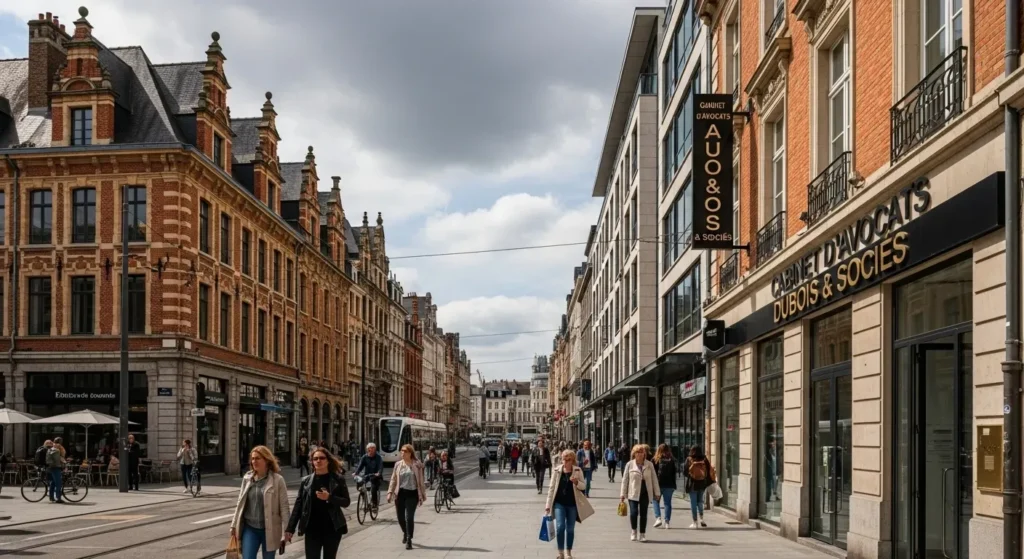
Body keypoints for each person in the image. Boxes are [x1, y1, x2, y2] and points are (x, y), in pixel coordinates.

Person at [286, 447, 350, 559]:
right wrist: (290, 529)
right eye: (315, 459)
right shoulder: (306, 481)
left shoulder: (338, 479)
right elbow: (298, 506)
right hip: (312, 529)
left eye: (321, 458)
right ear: (312, 462)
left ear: (328, 461)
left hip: (332, 528)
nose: (318, 461)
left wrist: (329, 497)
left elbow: (346, 502)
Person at [230, 446, 289, 559]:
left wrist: (287, 530)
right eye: (252, 459)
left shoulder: (278, 480)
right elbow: (240, 503)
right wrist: (233, 525)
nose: (254, 461)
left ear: (266, 460)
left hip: (270, 529)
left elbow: (284, 507)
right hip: (250, 528)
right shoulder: (248, 478)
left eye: (258, 458)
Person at [544, 449, 590, 559]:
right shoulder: (557, 471)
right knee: (560, 527)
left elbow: (584, 486)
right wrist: (548, 505)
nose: (565, 461)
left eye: (568, 459)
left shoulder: (578, 470)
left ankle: (568, 552)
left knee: (570, 529)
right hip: (559, 504)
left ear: (572, 460)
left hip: (573, 504)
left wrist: (576, 482)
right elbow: (551, 489)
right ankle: (560, 552)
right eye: (564, 459)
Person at [386, 444, 426, 550]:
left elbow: (421, 481)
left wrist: (422, 495)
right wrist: (390, 492)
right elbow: (393, 479)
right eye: (401, 451)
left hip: (412, 494)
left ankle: (409, 539)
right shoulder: (398, 464)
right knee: (400, 518)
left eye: (404, 451)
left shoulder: (417, 464)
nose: (402, 453)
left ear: (410, 453)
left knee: (409, 518)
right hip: (400, 494)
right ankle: (405, 532)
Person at [620, 443, 661, 542]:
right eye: (637, 452)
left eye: (641, 452)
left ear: (644, 454)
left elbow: (654, 479)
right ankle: (634, 531)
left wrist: (657, 493)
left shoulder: (649, 464)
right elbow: (625, 479)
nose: (639, 454)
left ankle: (642, 533)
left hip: (645, 491)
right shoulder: (630, 464)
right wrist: (622, 494)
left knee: (644, 513)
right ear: (634, 454)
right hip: (633, 491)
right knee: (634, 512)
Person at [684, 445, 714, 528]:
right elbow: (709, 471)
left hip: (692, 483)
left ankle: (695, 522)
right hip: (702, 483)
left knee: (693, 502)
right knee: (700, 501)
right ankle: (702, 519)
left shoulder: (689, 459)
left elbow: (685, 472)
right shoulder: (704, 459)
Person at [652, 444, 677, 529]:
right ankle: (667, 522)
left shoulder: (655, 459)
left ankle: (658, 518)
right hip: (669, 485)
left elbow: (653, 473)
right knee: (667, 503)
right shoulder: (672, 460)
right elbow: (674, 473)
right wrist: (674, 485)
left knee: (655, 501)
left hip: (658, 484)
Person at [353, 443, 384, 507]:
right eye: (369, 450)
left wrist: (378, 473)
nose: (371, 452)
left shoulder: (378, 457)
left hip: (375, 477)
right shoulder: (365, 457)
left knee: (373, 489)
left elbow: (380, 466)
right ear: (367, 450)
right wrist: (356, 473)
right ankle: (364, 500)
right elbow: (360, 466)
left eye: (372, 450)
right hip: (367, 475)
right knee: (360, 485)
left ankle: (374, 504)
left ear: (375, 450)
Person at [45, 439, 65, 503]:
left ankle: (51, 497)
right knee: (58, 483)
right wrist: (64, 463)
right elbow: (58, 459)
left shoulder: (51, 448)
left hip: (50, 467)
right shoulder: (57, 449)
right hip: (56, 467)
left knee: (53, 483)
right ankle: (58, 498)